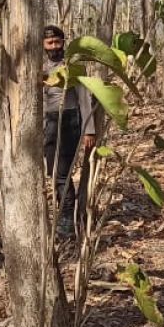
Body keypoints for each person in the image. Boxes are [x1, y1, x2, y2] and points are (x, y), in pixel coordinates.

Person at [42, 24, 95, 237]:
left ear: (63, 42)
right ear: (43, 45)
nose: (54, 46)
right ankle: (63, 212)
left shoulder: (72, 64)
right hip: (48, 122)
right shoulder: (38, 66)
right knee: (52, 171)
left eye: (58, 42)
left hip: (70, 119)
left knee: (62, 172)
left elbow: (84, 97)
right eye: (50, 43)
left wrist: (89, 130)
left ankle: (66, 218)